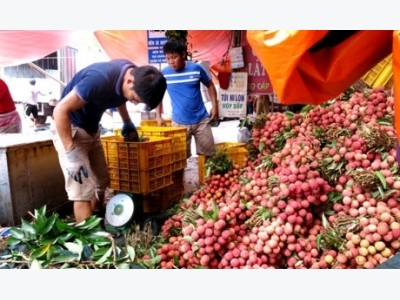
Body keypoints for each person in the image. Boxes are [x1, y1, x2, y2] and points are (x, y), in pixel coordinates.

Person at [51, 59, 166, 224]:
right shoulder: (99, 79)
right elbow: (60, 110)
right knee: (82, 190)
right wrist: (71, 154)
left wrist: (127, 121)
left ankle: (97, 217)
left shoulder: (130, 72)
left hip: (92, 129)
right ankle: (90, 242)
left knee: (102, 180)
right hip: (70, 129)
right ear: (130, 81)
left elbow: (119, 96)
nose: (134, 102)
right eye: (135, 98)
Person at [156, 39, 219, 159]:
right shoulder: (164, 74)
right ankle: (180, 179)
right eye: (168, 58)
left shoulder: (196, 68)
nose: (171, 62)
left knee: (210, 157)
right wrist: (158, 116)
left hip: (202, 121)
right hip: (179, 123)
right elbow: (158, 95)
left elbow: (210, 85)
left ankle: (206, 178)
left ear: (183, 55)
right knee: (178, 158)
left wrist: (214, 107)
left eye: (174, 57)